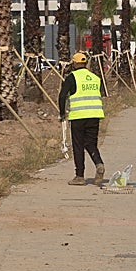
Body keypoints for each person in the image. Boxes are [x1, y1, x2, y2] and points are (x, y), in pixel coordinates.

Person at [59, 51, 105, 186]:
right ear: (85, 63)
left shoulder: (71, 77)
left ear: (74, 63)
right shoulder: (95, 78)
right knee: (90, 143)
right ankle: (99, 163)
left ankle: (79, 176)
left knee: (78, 145)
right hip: (94, 115)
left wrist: (62, 113)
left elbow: (62, 96)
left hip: (78, 116)